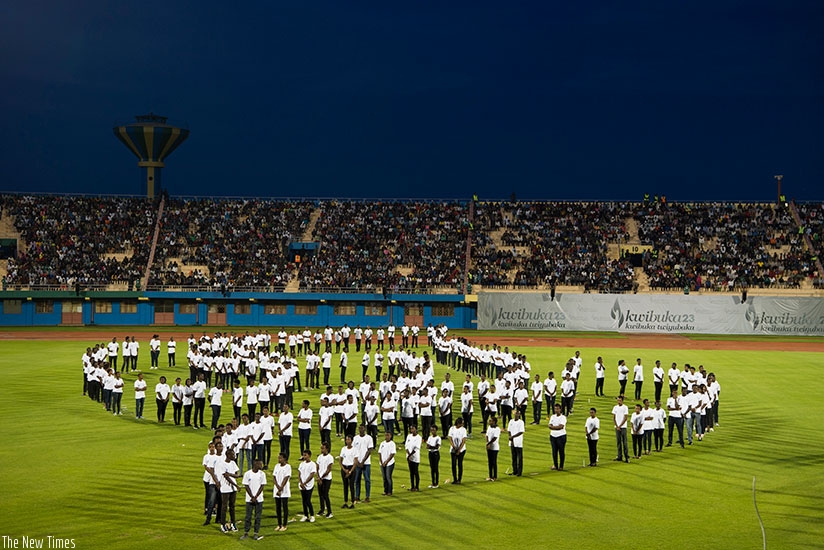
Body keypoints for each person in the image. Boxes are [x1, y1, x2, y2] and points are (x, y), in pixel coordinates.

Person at [241, 459, 266, 540]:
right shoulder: (247, 474)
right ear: (255, 464)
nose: (261, 466)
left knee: (257, 517)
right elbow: (246, 486)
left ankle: (256, 533)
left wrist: (255, 497)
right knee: (248, 516)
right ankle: (246, 532)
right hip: (249, 499)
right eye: (260, 464)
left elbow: (262, 486)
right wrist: (252, 497)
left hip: (259, 499)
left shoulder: (262, 474)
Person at [217, 449, 240, 533]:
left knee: (232, 506)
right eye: (233, 455)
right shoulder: (221, 464)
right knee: (224, 506)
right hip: (225, 488)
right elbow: (226, 477)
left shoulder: (233, 463)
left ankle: (233, 523)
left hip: (233, 488)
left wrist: (230, 474)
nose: (234, 456)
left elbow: (236, 475)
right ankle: (223, 524)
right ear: (228, 455)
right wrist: (236, 485)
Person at [353, 424, 374, 503]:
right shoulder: (355, 438)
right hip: (357, 463)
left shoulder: (369, 438)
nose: (360, 430)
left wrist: (363, 461)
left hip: (366, 463)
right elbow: (353, 451)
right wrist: (357, 461)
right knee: (357, 480)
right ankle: (357, 496)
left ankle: (367, 496)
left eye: (362, 428)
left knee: (367, 480)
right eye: (359, 428)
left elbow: (369, 450)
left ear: (364, 429)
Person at [272, 453, 291, 532]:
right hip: (277, 489)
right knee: (278, 508)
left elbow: (286, 478)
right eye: (278, 458)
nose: (279, 459)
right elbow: (274, 477)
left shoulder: (288, 467)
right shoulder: (276, 466)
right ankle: (279, 524)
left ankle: (284, 525)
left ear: (285, 459)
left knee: (285, 507)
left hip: (284, 490)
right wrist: (277, 487)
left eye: (280, 458)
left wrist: (280, 488)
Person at [298, 449, 317, 523]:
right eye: (303, 455)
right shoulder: (302, 464)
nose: (304, 456)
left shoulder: (312, 464)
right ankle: (305, 515)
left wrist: (305, 483)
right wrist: (301, 482)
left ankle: (312, 515)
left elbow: (312, 475)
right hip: (302, 485)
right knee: (303, 501)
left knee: (308, 501)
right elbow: (299, 474)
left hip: (309, 485)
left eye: (305, 455)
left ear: (309, 455)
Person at [338, 435, 357, 508]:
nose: (347, 441)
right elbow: (340, 460)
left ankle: (352, 502)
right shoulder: (343, 449)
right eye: (346, 439)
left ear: (351, 441)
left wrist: (350, 471)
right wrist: (344, 469)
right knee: (345, 486)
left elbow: (355, 462)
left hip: (351, 468)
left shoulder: (355, 450)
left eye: (348, 439)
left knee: (352, 485)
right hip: (344, 467)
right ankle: (345, 502)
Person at [448, 417, 467, 484]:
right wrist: (453, 446)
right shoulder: (452, 428)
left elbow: (463, 440)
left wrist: (459, 449)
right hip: (453, 449)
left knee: (459, 464)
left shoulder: (463, 430)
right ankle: (455, 479)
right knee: (453, 464)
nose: (463, 424)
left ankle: (459, 479)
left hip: (461, 450)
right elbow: (450, 438)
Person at [548, 403, 567, 471]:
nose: (556, 410)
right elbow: (549, 425)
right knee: (554, 452)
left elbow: (561, 427)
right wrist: (555, 427)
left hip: (561, 436)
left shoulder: (563, 417)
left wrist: (553, 427)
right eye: (555, 409)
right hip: (553, 436)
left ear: (560, 409)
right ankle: (555, 465)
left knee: (561, 451)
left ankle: (561, 466)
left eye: (557, 409)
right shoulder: (552, 416)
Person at [404, 424, 422, 491]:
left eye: (413, 428)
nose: (411, 430)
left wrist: (410, 455)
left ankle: (417, 486)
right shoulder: (409, 436)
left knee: (415, 472)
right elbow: (406, 446)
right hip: (409, 457)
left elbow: (416, 448)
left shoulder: (419, 437)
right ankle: (412, 486)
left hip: (415, 457)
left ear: (416, 429)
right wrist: (408, 454)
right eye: (411, 428)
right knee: (411, 472)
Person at [612, 396, 630, 462]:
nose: (618, 401)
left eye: (620, 400)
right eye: (618, 400)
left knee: (624, 442)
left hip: (623, 427)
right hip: (617, 427)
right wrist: (617, 426)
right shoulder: (615, 407)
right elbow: (614, 417)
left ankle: (626, 457)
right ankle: (619, 456)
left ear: (622, 400)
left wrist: (620, 426)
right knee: (618, 442)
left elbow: (625, 418)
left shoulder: (625, 407)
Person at [507, 409, 525, 476]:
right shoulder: (511, 421)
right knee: (513, 457)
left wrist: (513, 437)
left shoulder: (521, 422)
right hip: (512, 441)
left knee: (519, 457)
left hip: (518, 442)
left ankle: (519, 472)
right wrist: (510, 438)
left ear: (519, 414)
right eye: (515, 413)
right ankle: (515, 470)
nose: (516, 414)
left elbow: (521, 432)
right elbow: (509, 430)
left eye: (518, 413)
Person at [378, 431, 396, 496]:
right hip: (382, 463)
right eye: (385, 435)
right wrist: (381, 461)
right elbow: (379, 453)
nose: (386, 437)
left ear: (390, 436)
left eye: (388, 435)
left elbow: (392, 454)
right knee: (384, 477)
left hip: (390, 463)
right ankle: (385, 490)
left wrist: (386, 462)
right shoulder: (382, 443)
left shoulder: (392, 444)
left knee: (388, 477)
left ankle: (389, 491)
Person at [485, 415, 500, 481]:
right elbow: (487, 435)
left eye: (490, 420)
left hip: (495, 447)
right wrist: (487, 443)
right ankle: (490, 476)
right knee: (490, 462)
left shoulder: (497, 429)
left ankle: (495, 476)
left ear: (494, 422)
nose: (489, 421)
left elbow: (495, 438)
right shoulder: (489, 427)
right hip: (489, 447)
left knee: (494, 462)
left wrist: (489, 443)